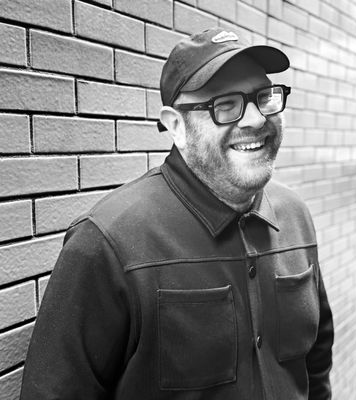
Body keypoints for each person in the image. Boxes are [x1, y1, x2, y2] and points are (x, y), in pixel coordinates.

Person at [20, 27, 334, 400]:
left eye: (264, 97)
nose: (255, 119)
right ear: (175, 126)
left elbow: (316, 365)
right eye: (225, 104)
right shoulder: (109, 242)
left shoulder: (296, 217)